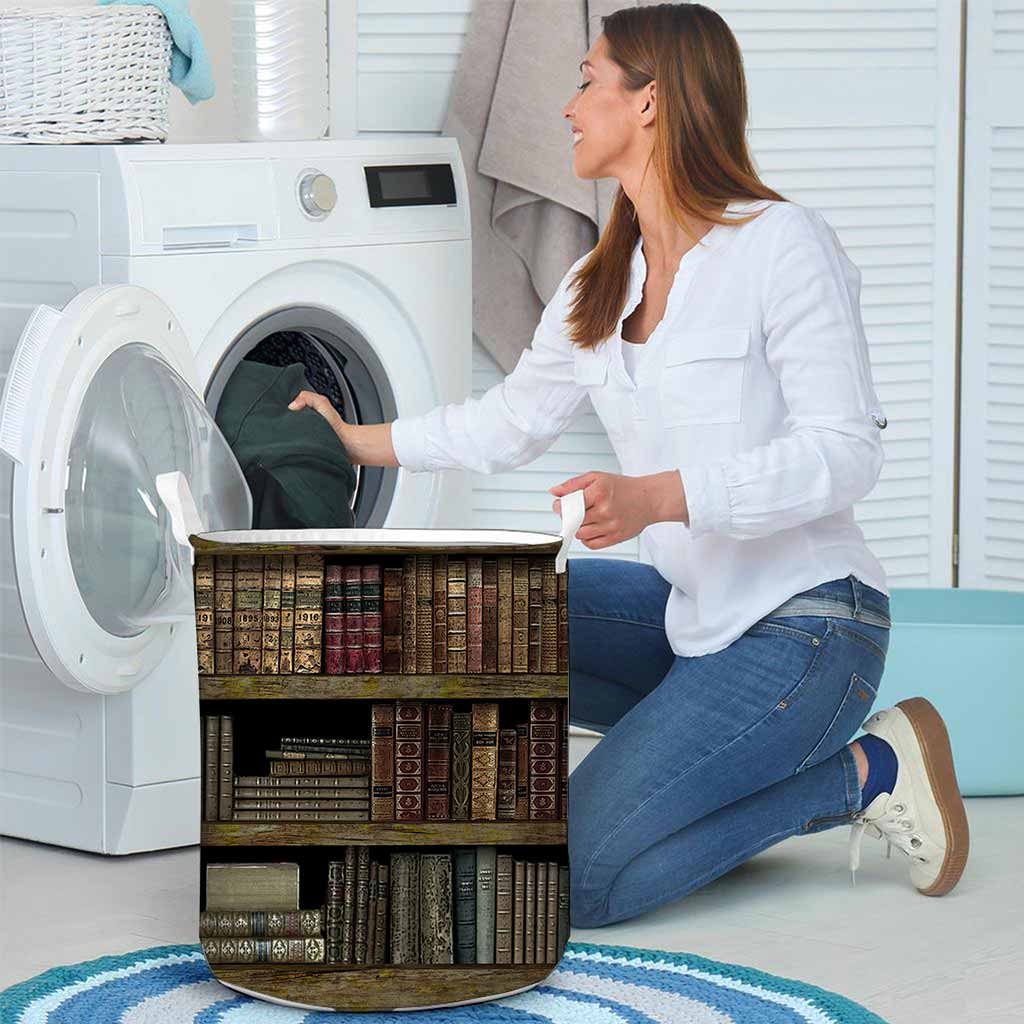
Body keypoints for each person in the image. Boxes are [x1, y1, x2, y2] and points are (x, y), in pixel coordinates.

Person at [287, 2, 969, 929]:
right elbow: (511, 422)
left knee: (573, 881)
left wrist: (661, 498)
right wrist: (362, 438)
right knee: (466, 603)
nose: (567, 107)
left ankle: (865, 773)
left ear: (649, 102)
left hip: (810, 629)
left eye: (586, 81)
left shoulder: (779, 244)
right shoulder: (598, 280)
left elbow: (846, 454)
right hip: (694, 622)